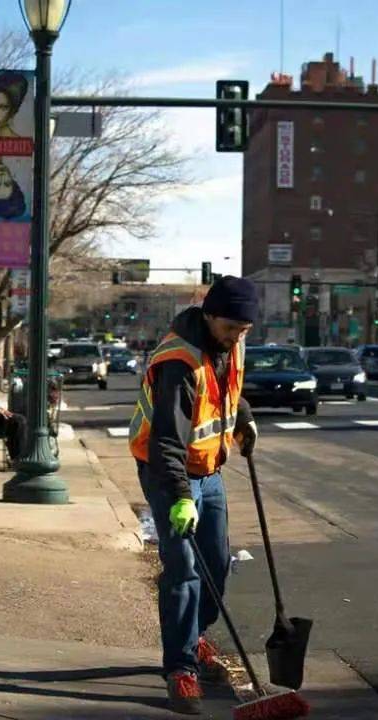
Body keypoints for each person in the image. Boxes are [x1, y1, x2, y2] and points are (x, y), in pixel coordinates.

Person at [128, 276, 258, 715]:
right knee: (183, 568)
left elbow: (227, 389)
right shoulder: (179, 362)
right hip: (169, 473)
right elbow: (167, 440)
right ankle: (180, 670)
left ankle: (194, 634)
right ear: (208, 317)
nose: (236, 337)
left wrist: (244, 418)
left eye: (243, 330)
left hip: (210, 469)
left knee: (217, 564)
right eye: (230, 329)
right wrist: (181, 496)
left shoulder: (232, 343)